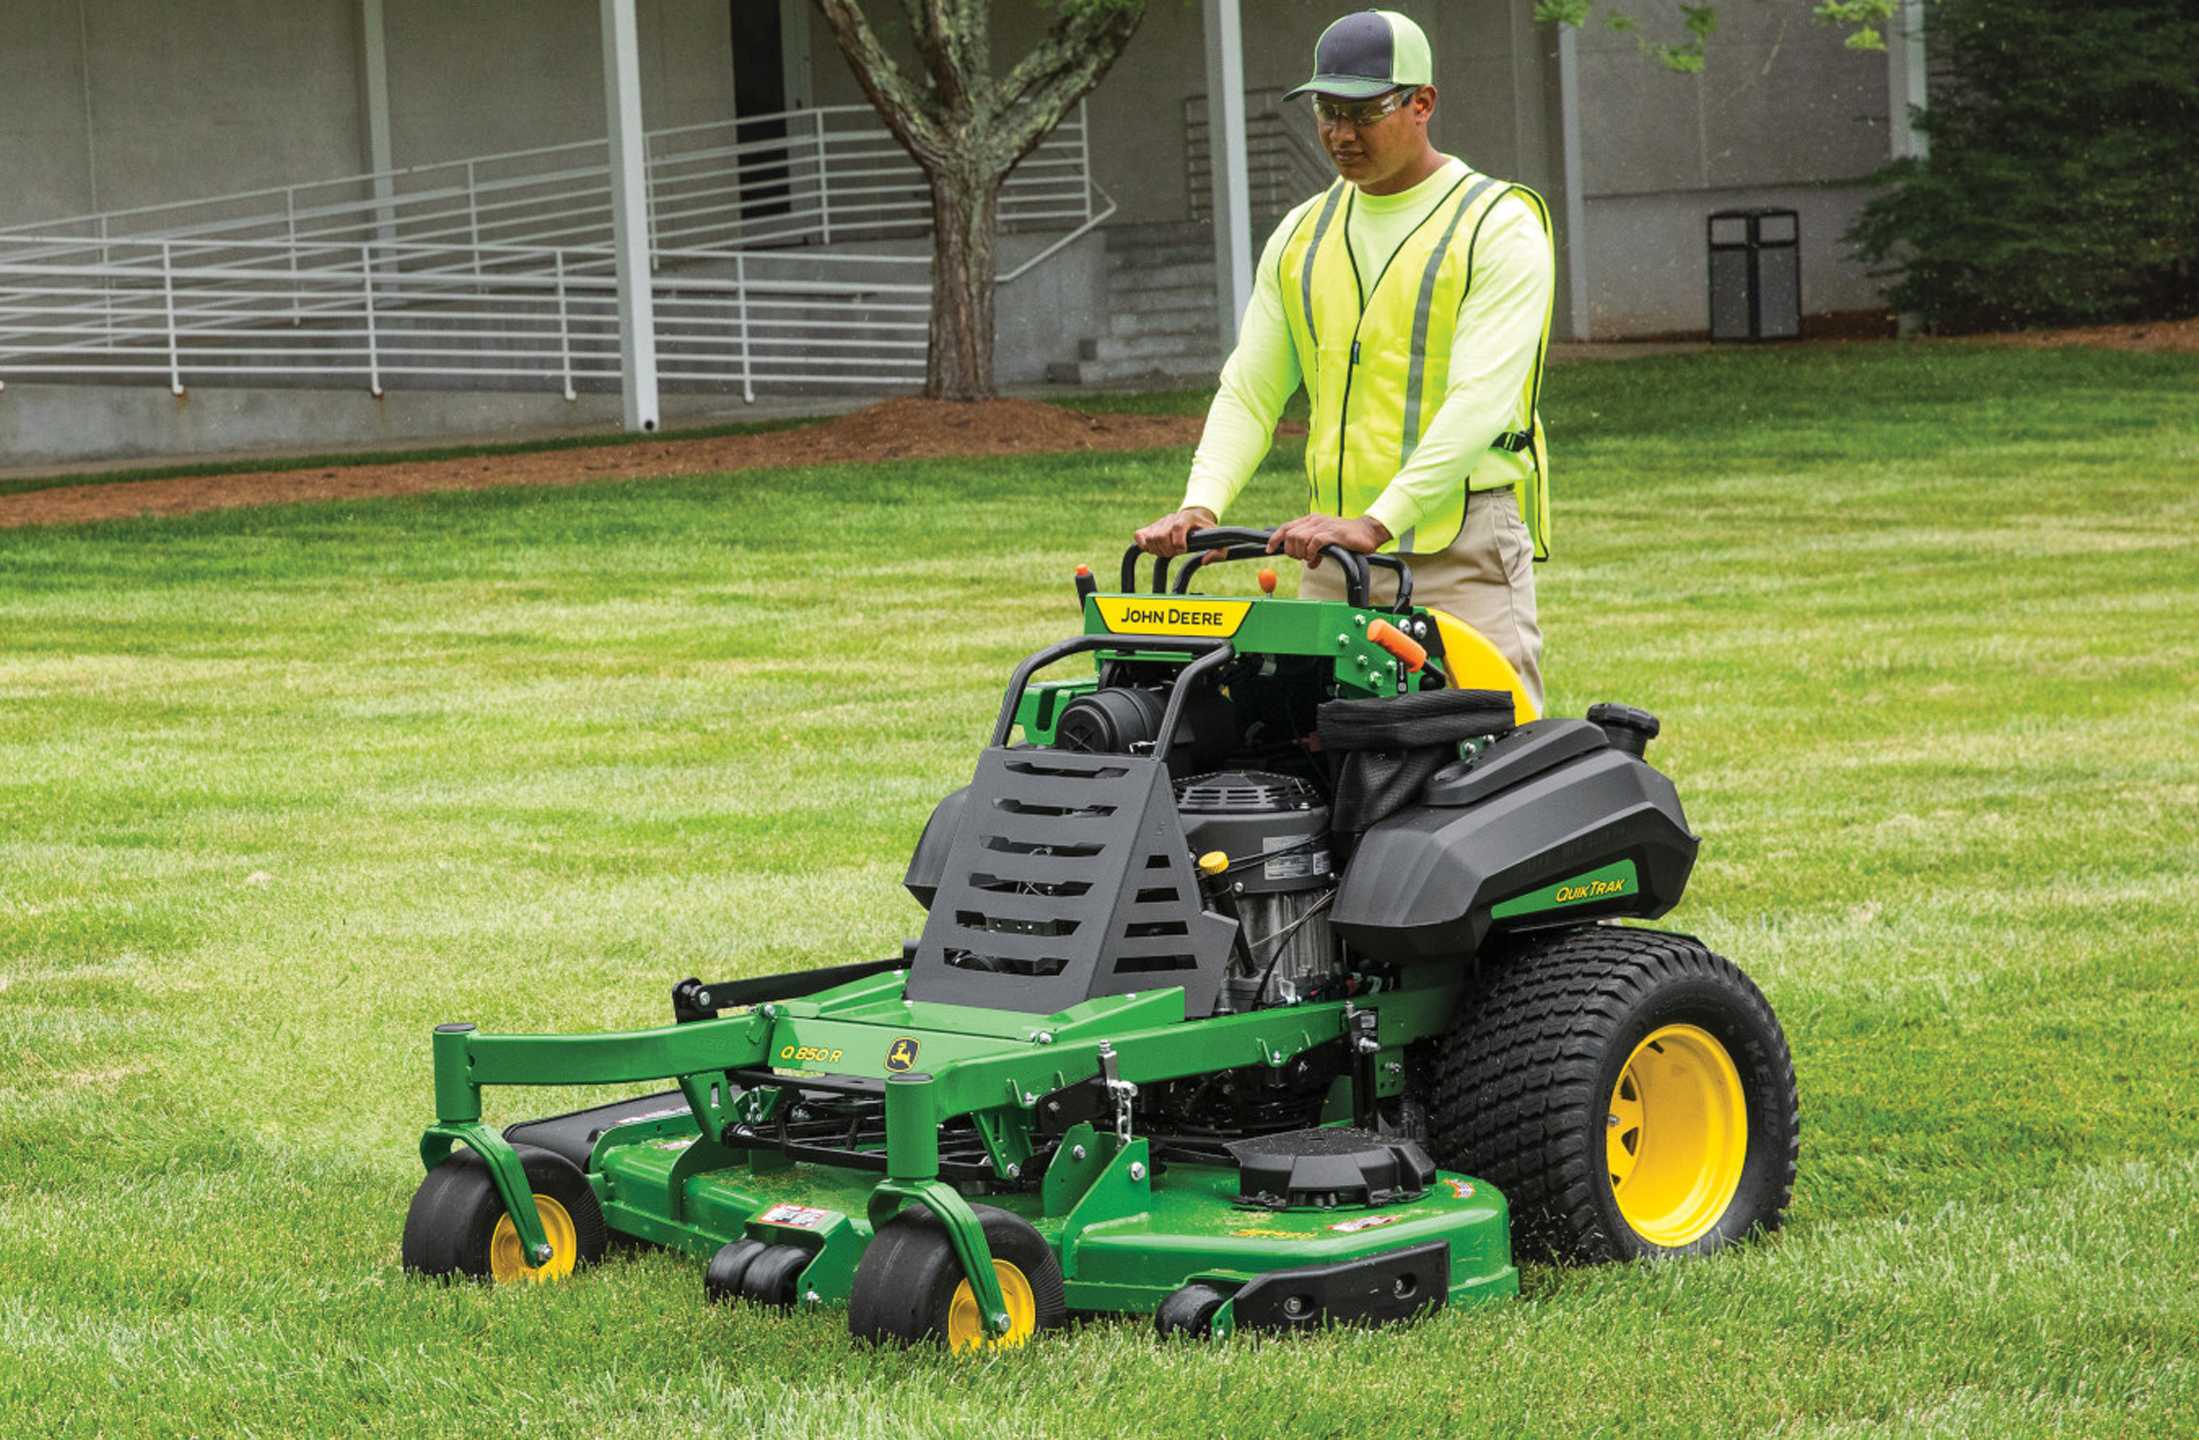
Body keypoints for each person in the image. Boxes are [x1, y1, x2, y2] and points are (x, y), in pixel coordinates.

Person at [1133, 8, 1555, 711]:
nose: (1339, 133)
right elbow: (1250, 389)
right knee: (1312, 750)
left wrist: (1378, 519)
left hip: (1459, 546)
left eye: (1363, 112)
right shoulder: (1304, 233)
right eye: (1327, 111)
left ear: (1422, 103)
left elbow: (1481, 399)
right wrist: (1199, 502)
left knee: (1487, 747)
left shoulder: (1496, 224)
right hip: (1333, 551)